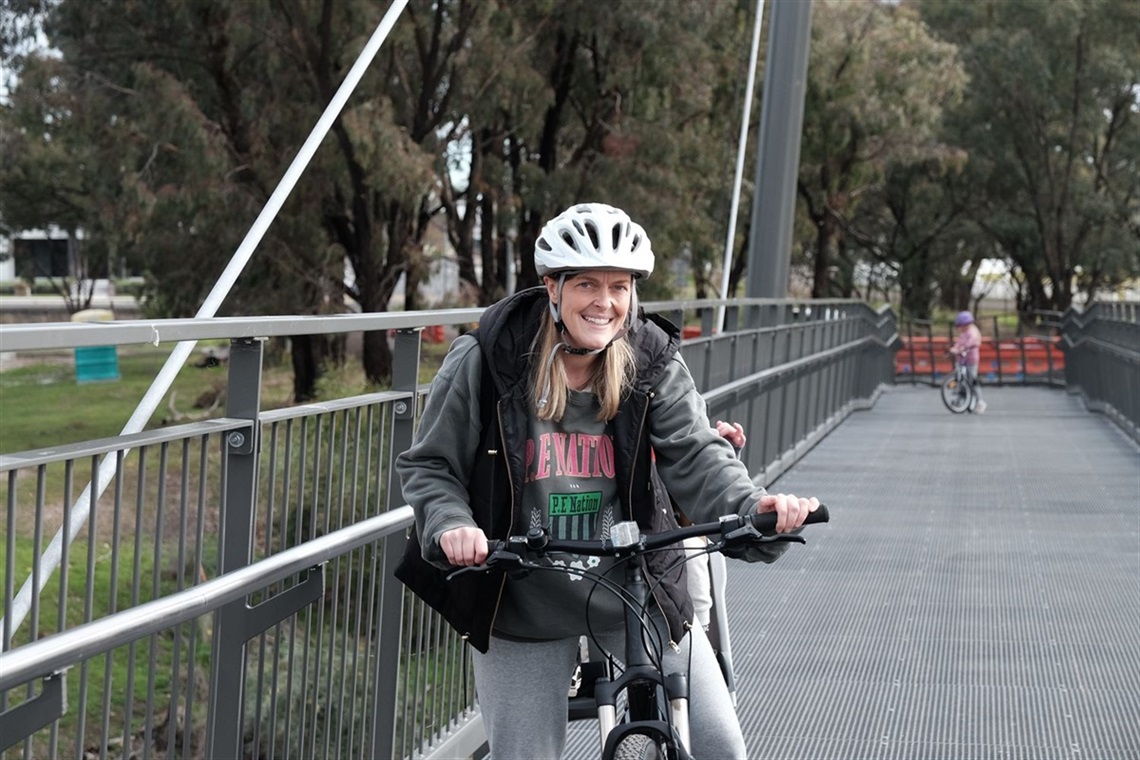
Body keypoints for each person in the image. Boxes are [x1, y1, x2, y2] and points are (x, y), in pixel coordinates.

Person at [394, 202, 820, 760]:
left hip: (634, 587)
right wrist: (452, 524)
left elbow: (695, 453)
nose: (605, 302)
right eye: (587, 285)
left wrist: (754, 507)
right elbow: (431, 466)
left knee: (719, 746)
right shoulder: (486, 359)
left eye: (619, 286)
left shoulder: (650, 360)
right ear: (553, 286)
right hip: (520, 594)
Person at [949, 310, 987, 414]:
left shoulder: (973, 332)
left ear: (965, 324)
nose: (959, 328)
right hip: (961, 359)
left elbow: (972, 341)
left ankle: (980, 402)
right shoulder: (963, 333)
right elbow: (959, 343)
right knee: (958, 377)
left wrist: (963, 348)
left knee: (972, 379)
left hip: (971, 359)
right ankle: (960, 396)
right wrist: (955, 348)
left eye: (960, 325)